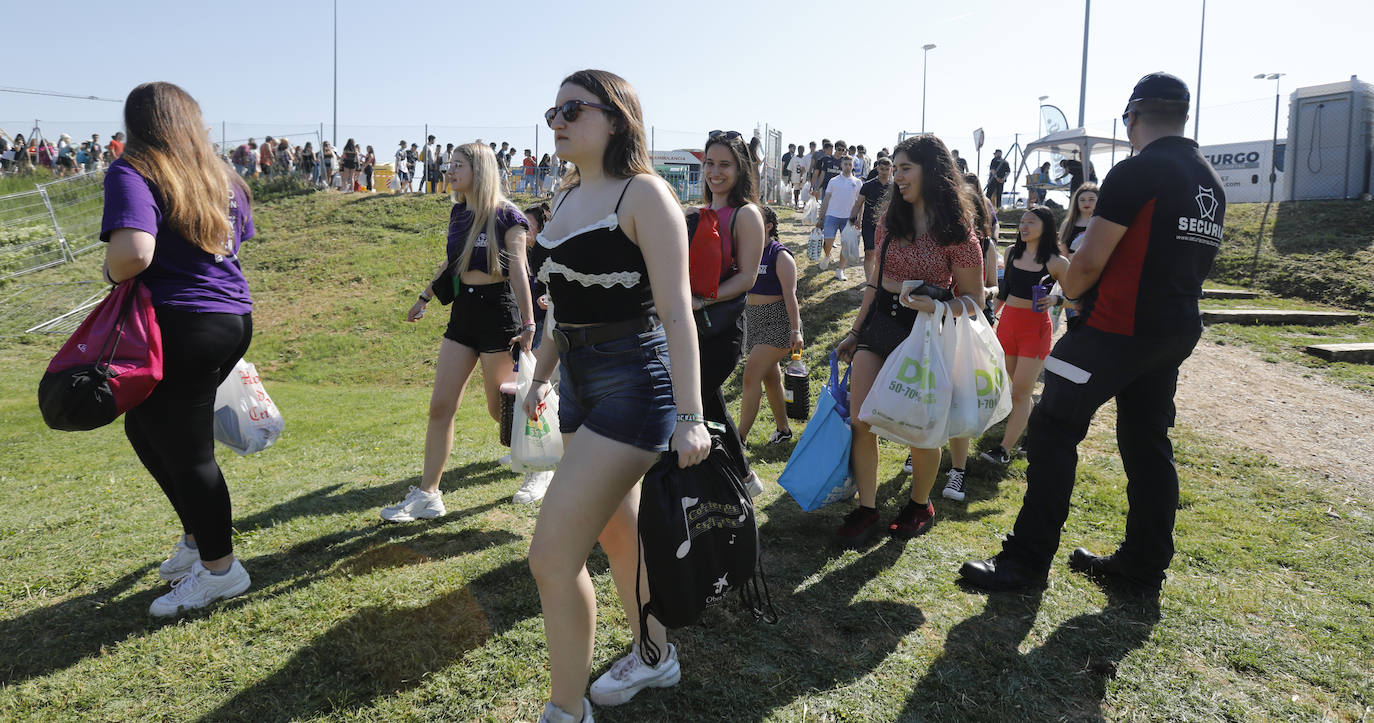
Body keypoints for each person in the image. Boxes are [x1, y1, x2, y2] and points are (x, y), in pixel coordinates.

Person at [959, 72, 1225, 598]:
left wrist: (1062, 277)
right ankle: (1143, 568)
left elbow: (1084, 270)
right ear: (1183, 117)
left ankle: (1026, 562)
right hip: (1172, 331)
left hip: (1115, 327)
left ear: (1132, 119)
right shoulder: (1208, 180)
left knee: (1052, 429)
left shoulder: (1137, 171)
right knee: (1147, 444)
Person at [523, 69, 711, 723]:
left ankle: (565, 710)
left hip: (636, 382)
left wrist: (691, 416)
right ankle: (655, 654)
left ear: (616, 117)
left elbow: (678, 312)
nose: (558, 122)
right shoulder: (565, 197)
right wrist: (541, 375)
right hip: (578, 380)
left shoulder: (645, 194)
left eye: (572, 109)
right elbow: (562, 310)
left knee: (551, 555)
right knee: (618, 532)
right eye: (552, 112)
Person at [99, 81, 256, 616]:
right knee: (145, 429)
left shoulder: (134, 169)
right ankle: (197, 538)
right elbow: (232, 242)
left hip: (182, 325)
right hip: (230, 318)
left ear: (138, 124)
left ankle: (220, 570)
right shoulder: (221, 175)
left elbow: (133, 254)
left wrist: (109, 271)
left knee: (188, 452)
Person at [833, 134, 985, 543]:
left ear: (930, 171)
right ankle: (867, 507)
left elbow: (976, 300)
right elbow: (874, 282)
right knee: (861, 421)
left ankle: (920, 504)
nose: (897, 177)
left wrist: (934, 305)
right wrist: (855, 332)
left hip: (927, 334)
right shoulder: (889, 220)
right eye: (895, 168)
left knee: (920, 428)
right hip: (882, 322)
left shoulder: (957, 230)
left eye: (905, 168)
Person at [388, 142, 537, 520]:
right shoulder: (458, 213)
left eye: (458, 165)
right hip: (464, 314)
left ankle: (541, 467)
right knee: (441, 407)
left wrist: (529, 322)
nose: (449, 171)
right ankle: (429, 495)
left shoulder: (508, 216)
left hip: (499, 314)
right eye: (449, 164)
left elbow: (519, 271)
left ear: (480, 170)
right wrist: (424, 297)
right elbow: (451, 263)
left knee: (501, 411)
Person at [691, 129, 765, 494]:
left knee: (699, 399)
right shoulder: (700, 212)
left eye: (725, 165)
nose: (715, 172)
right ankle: (735, 477)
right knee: (705, 403)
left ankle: (736, 477)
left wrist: (704, 299)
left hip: (721, 329)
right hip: (691, 324)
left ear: (740, 170)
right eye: (710, 163)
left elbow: (747, 278)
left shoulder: (746, 215)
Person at [979, 206, 1067, 465]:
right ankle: (1032, 430)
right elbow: (1006, 291)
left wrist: (1056, 299)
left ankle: (1004, 450)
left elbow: (1077, 297)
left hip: (1035, 330)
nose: (1024, 226)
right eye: (1023, 222)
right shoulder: (1011, 252)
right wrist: (989, 318)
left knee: (1020, 392)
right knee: (1018, 392)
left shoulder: (1057, 262)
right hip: (1008, 326)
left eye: (1031, 222)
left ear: (1046, 227)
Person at [939, 174, 1004, 502]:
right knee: (931, 389)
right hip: (937, 326)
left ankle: (958, 469)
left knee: (960, 398)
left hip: (970, 326)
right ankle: (922, 448)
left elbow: (993, 286)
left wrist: (977, 294)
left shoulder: (985, 245)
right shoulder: (935, 239)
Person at [737, 205, 802, 446]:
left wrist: (795, 331)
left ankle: (739, 438)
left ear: (768, 226)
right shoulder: (748, 252)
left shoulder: (780, 255)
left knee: (751, 375)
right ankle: (783, 431)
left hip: (778, 323)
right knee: (771, 379)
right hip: (753, 322)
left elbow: (791, 296)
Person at [814, 154, 862, 281]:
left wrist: (859, 219)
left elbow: (860, 203)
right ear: (841, 165)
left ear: (853, 166)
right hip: (832, 215)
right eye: (845, 164)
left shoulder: (857, 182)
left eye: (850, 164)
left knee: (845, 245)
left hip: (848, 218)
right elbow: (826, 200)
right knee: (828, 242)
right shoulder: (833, 181)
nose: (847, 167)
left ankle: (840, 270)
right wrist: (821, 217)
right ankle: (827, 256)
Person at [852, 155, 891, 281]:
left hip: (887, 226)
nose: (884, 172)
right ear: (877, 168)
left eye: (887, 169)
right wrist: (853, 218)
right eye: (882, 169)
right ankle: (870, 282)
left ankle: (880, 281)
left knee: (884, 255)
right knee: (869, 253)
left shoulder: (894, 186)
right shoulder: (868, 185)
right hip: (869, 223)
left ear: (891, 169)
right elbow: (858, 203)